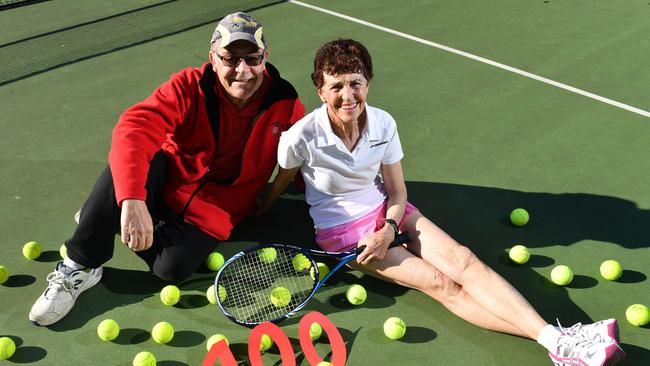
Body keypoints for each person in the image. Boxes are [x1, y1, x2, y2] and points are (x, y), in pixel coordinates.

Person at [260, 39, 625, 366]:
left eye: (355, 82)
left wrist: (388, 228)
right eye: (336, 86)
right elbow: (283, 179)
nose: (347, 95)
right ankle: (563, 341)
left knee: (463, 259)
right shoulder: (300, 137)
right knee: (442, 284)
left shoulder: (384, 124)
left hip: (388, 211)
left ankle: (558, 341)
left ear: (367, 83)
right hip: (343, 234)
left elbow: (398, 191)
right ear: (321, 91)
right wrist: (259, 211)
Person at [28, 12, 305, 326]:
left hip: (215, 209)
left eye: (252, 59)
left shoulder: (286, 103)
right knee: (130, 166)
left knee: (170, 269)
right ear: (213, 59)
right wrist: (132, 200)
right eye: (230, 58)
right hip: (164, 181)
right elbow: (133, 128)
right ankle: (80, 264)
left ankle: (102, 214)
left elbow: (304, 163)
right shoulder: (189, 86)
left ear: (264, 58)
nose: (243, 70)